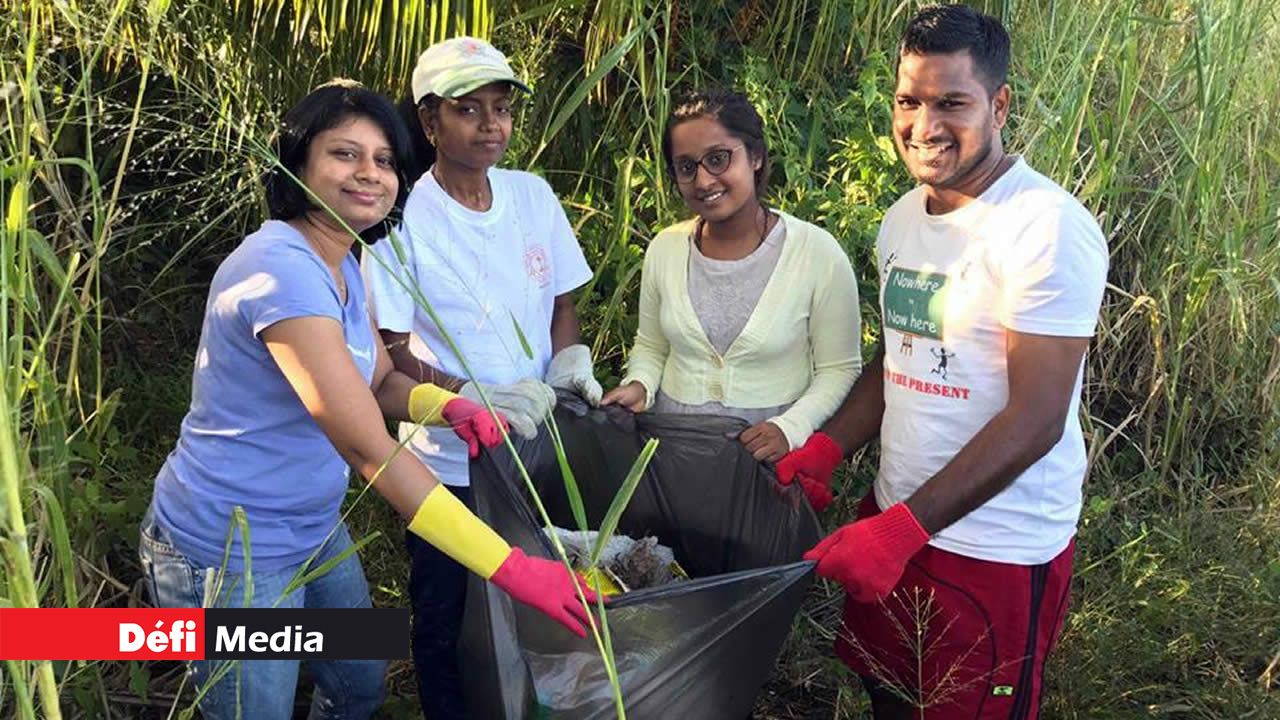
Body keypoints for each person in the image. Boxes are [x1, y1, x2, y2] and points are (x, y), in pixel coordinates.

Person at [139, 80, 597, 720]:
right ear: (299, 163)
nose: (369, 174)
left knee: (359, 684)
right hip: (232, 550)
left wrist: (456, 407)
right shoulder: (282, 268)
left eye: (384, 160)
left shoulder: (345, 260)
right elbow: (369, 449)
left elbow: (381, 383)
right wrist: (512, 568)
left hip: (310, 526)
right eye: (345, 154)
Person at [777, 6, 1108, 718]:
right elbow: (902, 353)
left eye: (951, 103)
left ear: (999, 105)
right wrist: (831, 446)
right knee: (890, 699)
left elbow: (1037, 418)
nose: (924, 126)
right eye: (909, 101)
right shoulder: (903, 218)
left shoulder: (1044, 227)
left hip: (993, 548)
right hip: (897, 520)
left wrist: (901, 532)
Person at [360, 38, 599, 719]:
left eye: (501, 109)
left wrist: (568, 361)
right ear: (430, 123)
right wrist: (470, 395)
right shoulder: (402, 215)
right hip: (447, 459)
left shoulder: (531, 196)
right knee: (448, 609)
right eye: (469, 111)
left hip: (533, 440)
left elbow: (560, 304)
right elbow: (394, 346)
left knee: (538, 593)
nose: (491, 125)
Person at [601, 89, 862, 492]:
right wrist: (640, 386)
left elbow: (839, 369)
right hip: (673, 463)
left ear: (754, 156)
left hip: (770, 473)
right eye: (686, 167)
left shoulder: (816, 254)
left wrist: (790, 428)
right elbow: (651, 347)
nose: (704, 180)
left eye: (719, 159)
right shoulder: (665, 250)